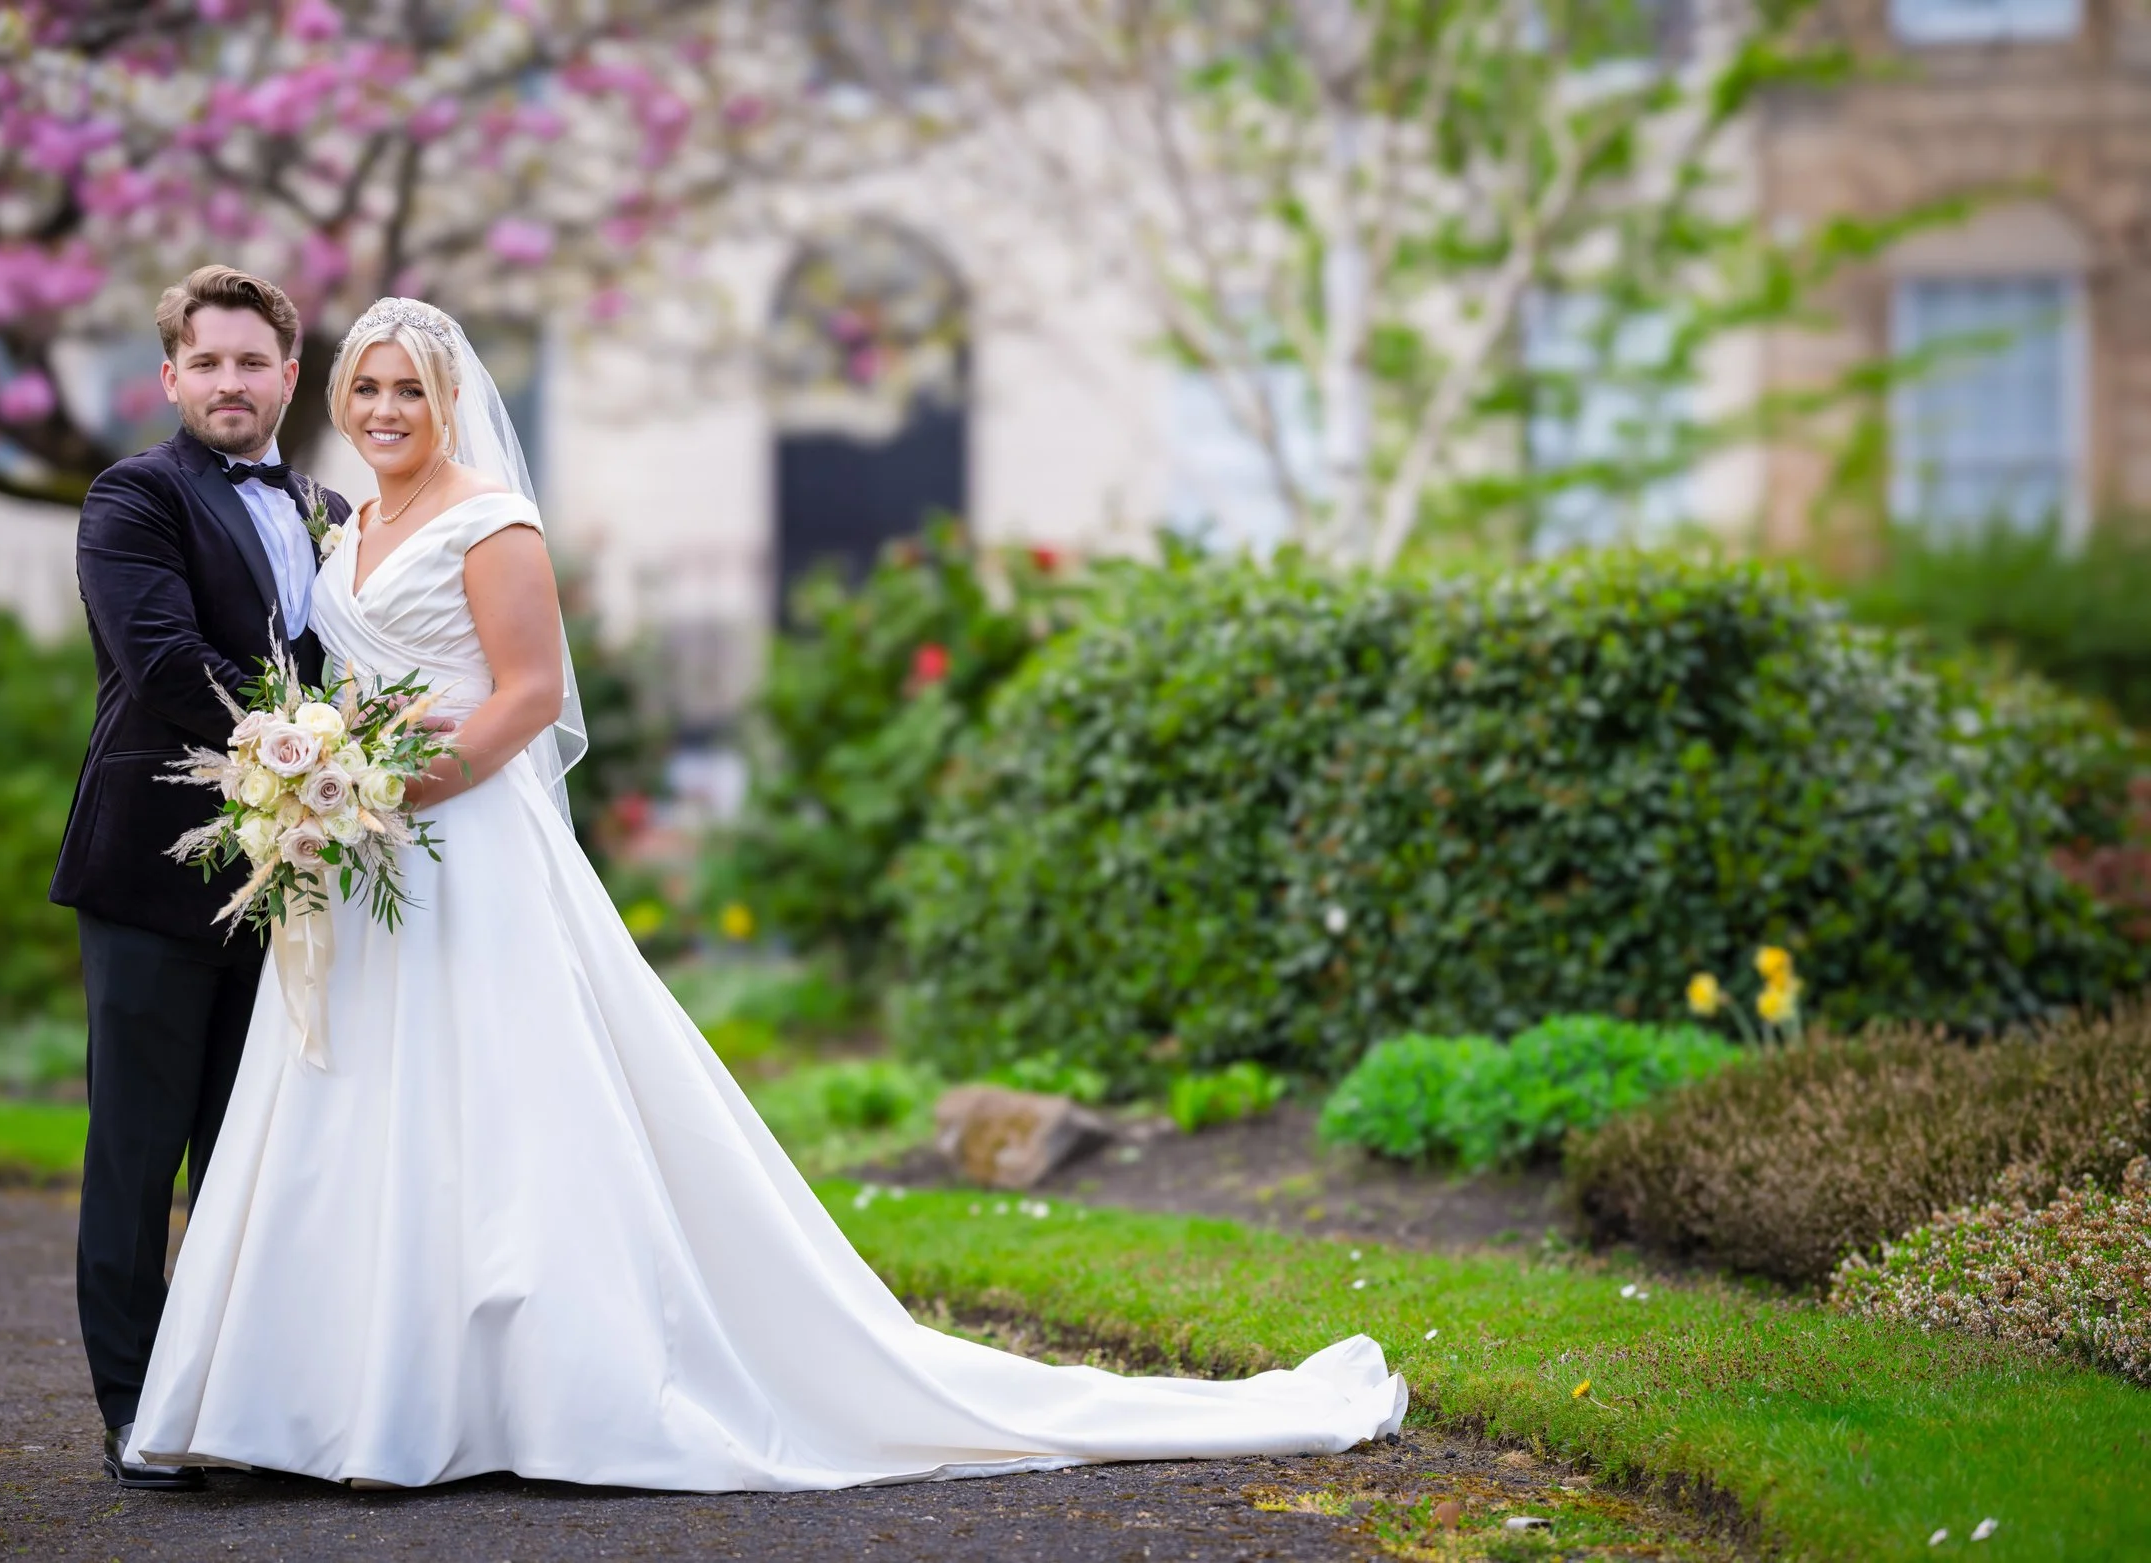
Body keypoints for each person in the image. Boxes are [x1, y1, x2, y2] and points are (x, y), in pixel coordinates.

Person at [125, 295, 1406, 1492]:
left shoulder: (489, 522)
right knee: (367, 1106)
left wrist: (399, 789)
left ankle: (524, 1387)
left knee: (506, 1103)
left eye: (411, 389)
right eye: (367, 388)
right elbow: (344, 684)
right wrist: (326, 782)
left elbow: (524, 696)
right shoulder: (351, 526)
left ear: (453, 400)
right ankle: (349, 1395)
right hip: (365, 863)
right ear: (335, 398)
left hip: (467, 843)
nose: (385, 410)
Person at [49, 265, 351, 1490]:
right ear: (171, 378)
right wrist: (321, 744)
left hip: (290, 880)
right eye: (207, 363)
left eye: (252, 362)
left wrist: (359, 761)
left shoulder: (335, 508)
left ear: (290, 375)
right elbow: (168, 664)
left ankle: (229, 1405)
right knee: (136, 1152)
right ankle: (135, 1416)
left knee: (245, 1156)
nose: (231, 383)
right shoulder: (132, 498)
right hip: (150, 875)